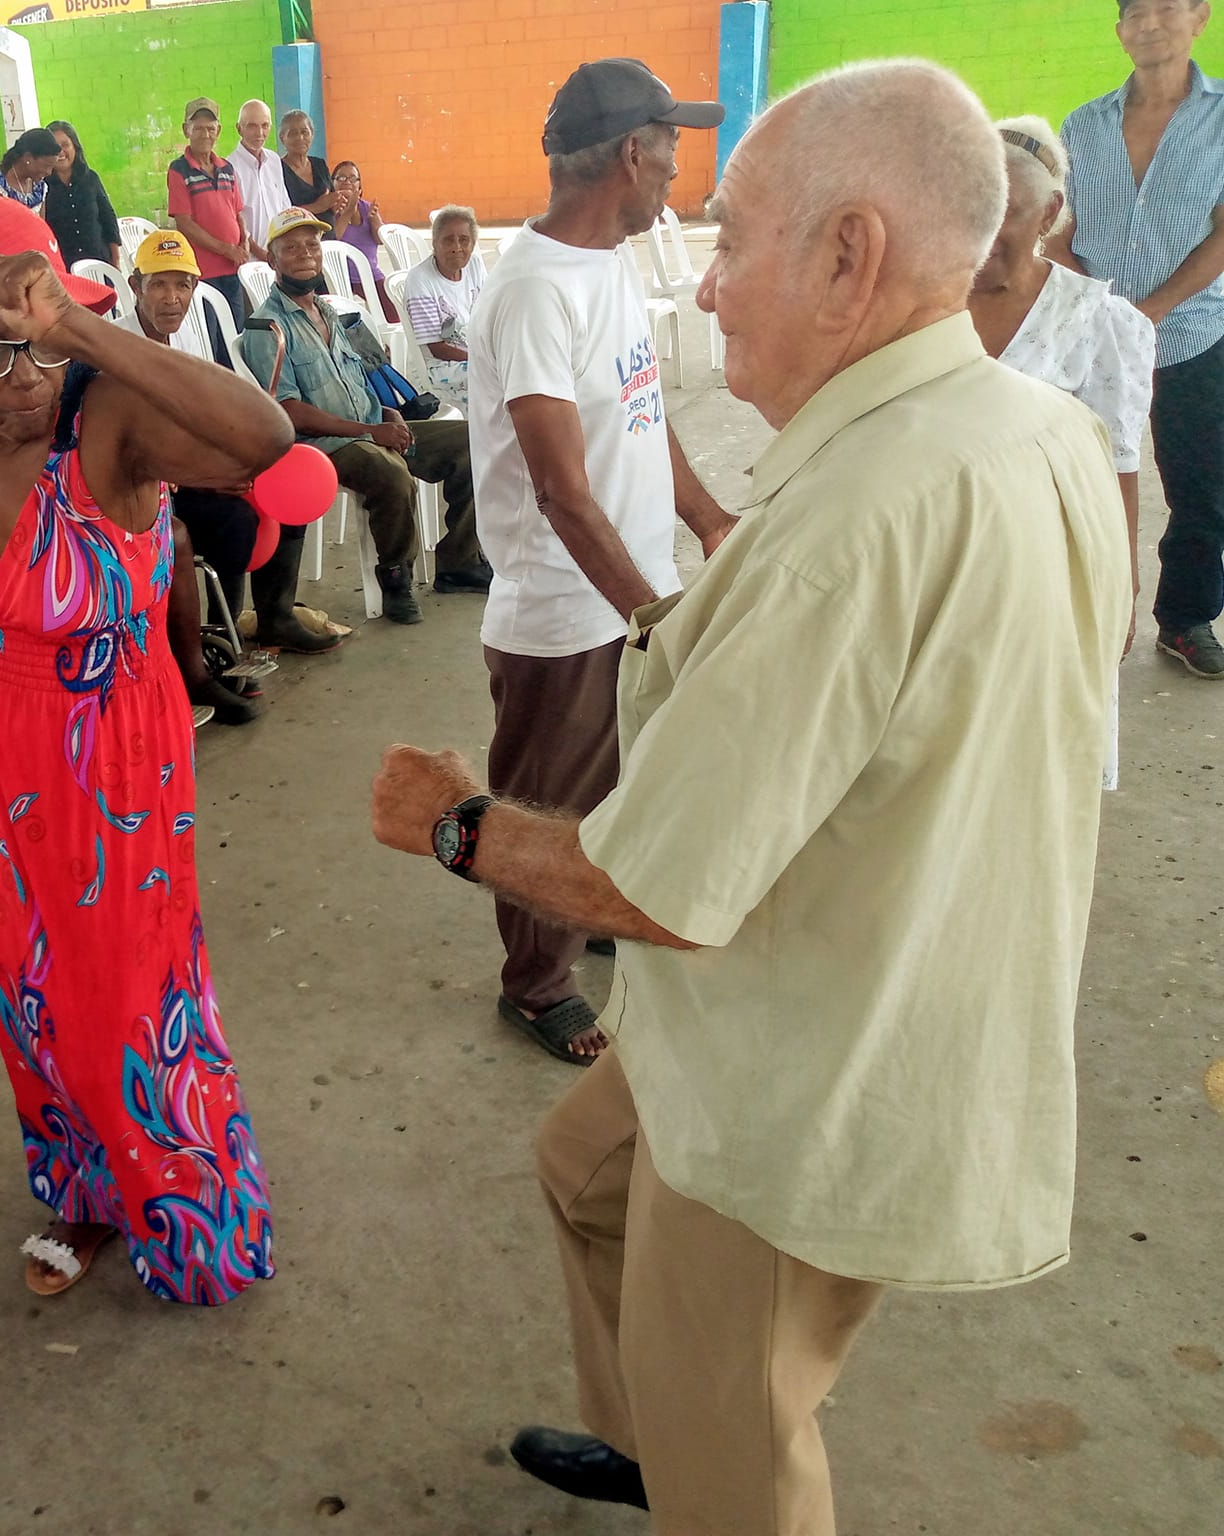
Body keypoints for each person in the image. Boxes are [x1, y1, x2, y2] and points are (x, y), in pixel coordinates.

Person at [371, 60, 1128, 1531]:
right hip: (849, 985)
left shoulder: (858, 520)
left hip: (808, 1071)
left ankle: (707, 1467)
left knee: (744, 1432)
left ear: (849, 257)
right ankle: (662, 1443)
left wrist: (455, 823)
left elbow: (656, 890)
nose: (706, 288)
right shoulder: (1022, 426)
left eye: (732, 240)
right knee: (582, 1174)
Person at [0, 197, 286, 1302]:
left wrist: (76, 330)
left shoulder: (105, 417)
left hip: (112, 749)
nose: (18, 379)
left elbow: (262, 441)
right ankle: (85, 1191)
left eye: (34, 346)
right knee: (27, 987)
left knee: (128, 992)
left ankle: (187, 1205)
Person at [467, 59, 729, 1065]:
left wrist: (706, 518)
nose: (675, 169)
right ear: (630, 153)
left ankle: (591, 913)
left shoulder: (604, 262)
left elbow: (639, 410)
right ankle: (534, 985)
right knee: (550, 808)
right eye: (669, 148)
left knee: (616, 792)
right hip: (566, 610)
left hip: (622, 598)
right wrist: (650, 614)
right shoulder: (534, 291)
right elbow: (560, 490)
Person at [1053, 0, 1224, 677]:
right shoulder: (1083, 125)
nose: (1149, 23)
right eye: (1134, 12)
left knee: (1202, 490)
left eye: (1165, 7)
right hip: (1092, 339)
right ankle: (1082, 612)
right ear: (1120, 31)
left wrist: (1150, 311)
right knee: (1082, 479)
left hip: (1192, 332)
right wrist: (1095, 308)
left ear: (1199, 17)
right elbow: (1060, 231)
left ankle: (1183, 621)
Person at [972, 115, 1152, 751]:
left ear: (1049, 214)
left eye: (1008, 214)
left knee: (1035, 738)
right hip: (935, 560)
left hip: (1045, 568)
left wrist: (1121, 583)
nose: (983, 233)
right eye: (971, 208)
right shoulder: (917, 300)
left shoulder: (1097, 323)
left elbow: (1118, 464)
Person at [242, 209, 487, 624]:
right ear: (272, 259)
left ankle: (459, 563)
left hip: (371, 426)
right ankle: (395, 578)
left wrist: (389, 414)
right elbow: (288, 411)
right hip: (326, 445)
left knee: (471, 441)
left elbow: (357, 377)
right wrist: (370, 431)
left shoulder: (327, 311)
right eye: (291, 248)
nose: (305, 254)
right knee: (390, 474)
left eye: (312, 245)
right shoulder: (268, 327)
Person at [122, 228, 337, 663]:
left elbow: (208, 414)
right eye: (158, 285)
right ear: (135, 286)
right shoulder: (119, 346)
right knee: (235, 521)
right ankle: (221, 639)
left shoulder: (186, 335)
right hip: (141, 491)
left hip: (187, 473)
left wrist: (240, 459)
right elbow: (128, 450)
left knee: (284, 493)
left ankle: (273, 618)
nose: (172, 298)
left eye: (183, 285)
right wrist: (208, 476)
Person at [168, 97, 255, 327]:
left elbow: (237, 213)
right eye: (198, 128)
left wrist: (244, 242)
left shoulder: (227, 168)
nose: (205, 134)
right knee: (212, 334)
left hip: (232, 269)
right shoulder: (179, 170)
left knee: (236, 331)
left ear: (218, 131)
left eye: (210, 128)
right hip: (203, 272)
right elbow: (184, 223)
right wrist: (227, 249)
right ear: (186, 130)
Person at [405, 205, 487, 411]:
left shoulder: (474, 265)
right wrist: (482, 358)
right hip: (439, 365)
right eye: (448, 240)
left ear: (473, 243)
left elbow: (489, 316)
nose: (457, 247)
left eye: (464, 240)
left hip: (475, 353)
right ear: (435, 243)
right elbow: (436, 348)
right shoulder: (420, 280)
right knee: (497, 375)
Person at [41, 121, 122, 272]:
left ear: (75, 146)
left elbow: (108, 219)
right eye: (54, 147)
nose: (60, 152)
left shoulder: (90, 179)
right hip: (63, 268)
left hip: (99, 264)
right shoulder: (42, 186)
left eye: (65, 145)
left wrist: (116, 261)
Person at [327, 162, 399, 322]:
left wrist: (374, 220)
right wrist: (348, 211)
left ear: (360, 186)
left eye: (353, 178)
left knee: (393, 311)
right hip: (339, 277)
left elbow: (380, 240)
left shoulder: (366, 208)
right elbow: (332, 239)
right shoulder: (329, 210)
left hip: (369, 274)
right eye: (341, 178)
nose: (347, 182)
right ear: (333, 183)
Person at [230, 99, 292, 253]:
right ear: (239, 129)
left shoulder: (274, 160)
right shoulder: (229, 167)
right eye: (252, 126)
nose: (259, 133)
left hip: (280, 255)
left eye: (265, 126)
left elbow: (284, 207)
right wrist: (262, 254)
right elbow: (235, 220)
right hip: (250, 259)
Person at [0, 127, 62, 212]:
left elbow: (40, 222)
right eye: (46, 166)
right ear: (28, 158)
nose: (49, 172)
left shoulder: (39, 188)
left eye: (52, 167)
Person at [279, 110, 335, 215]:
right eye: (293, 133)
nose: (300, 138)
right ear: (282, 138)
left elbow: (332, 205)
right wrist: (317, 206)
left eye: (304, 132)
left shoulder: (320, 165)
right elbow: (281, 213)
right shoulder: (278, 169)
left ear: (312, 134)